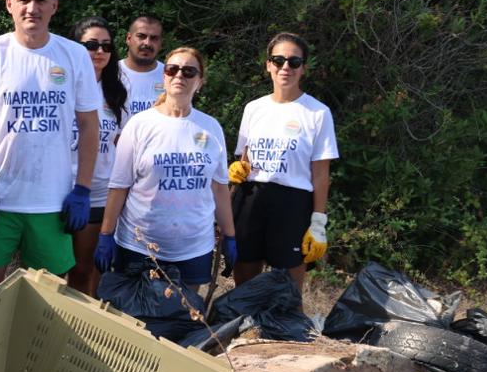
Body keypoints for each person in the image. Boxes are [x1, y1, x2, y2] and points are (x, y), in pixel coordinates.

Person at [0, 0, 101, 297]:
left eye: (40, 0)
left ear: (54, 6)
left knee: (50, 293)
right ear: (9, 5)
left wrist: (82, 190)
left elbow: (90, 125)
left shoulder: (74, 55)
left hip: (52, 200)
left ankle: (32, 351)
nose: (31, 8)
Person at [95, 47, 236, 288]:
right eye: (172, 69)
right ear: (165, 77)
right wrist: (106, 234)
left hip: (193, 248)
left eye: (189, 71)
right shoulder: (140, 125)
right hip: (138, 246)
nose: (179, 75)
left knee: (182, 319)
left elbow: (220, 189)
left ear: (200, 82)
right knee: (134, 322)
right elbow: (119, 187)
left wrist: (230, 235)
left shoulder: (211, 128)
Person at [230, 32, 338, 291]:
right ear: (268, 65)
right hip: (251, 197)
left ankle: (286, 329)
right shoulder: (253, 108)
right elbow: (242, 157)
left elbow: (321, 174)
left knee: (287, 288)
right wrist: (235, 170)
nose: (285, 67)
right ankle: (245, 327)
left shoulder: (318, 113)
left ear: (304, 68)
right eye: (278, 60)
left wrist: (318, 222)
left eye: (294, 62)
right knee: (244, 278)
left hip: (293, 202)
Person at [65, 16, 127, 296]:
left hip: (99, 194)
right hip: (59, 191)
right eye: (91, 45)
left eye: (106, 46)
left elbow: (121, 145)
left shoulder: (117, 94)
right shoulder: (60, 85)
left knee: (85, 272)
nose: (99, 52)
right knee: (53, 273)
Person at [120, 14, 166, 117]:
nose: (147, 43)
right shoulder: (111, 73)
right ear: (128, 38)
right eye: (141, 36)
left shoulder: (171, 75)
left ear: (161, 44)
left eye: (154, 38)